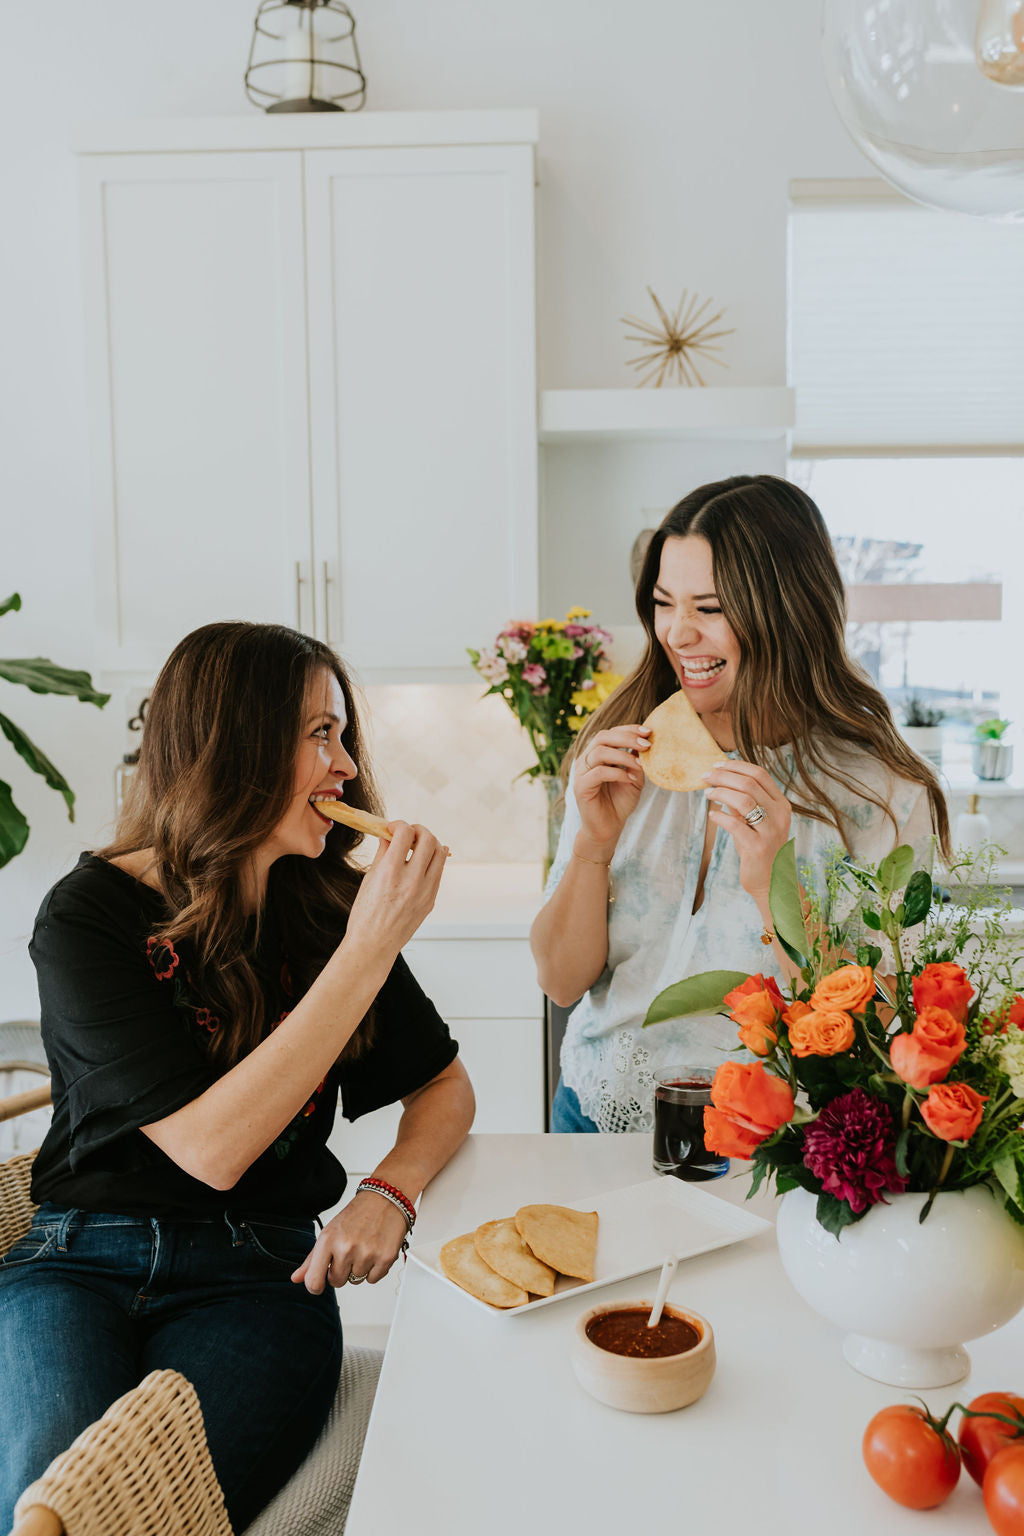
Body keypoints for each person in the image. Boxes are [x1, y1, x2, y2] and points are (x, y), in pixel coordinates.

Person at [0, 621, 475, 1531]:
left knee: (136, 1511)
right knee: (41, 1506)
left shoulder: (328, 910)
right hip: (77, 1259)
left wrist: (391, 1189)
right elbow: (211, 1148)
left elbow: (445, 1088)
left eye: (342, 735)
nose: (345, 766)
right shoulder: (88, 917)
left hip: (260, 1276)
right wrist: (370, 948)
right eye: (317, 735)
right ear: (234, 745)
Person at [532, 474, 949, 1135]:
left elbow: (881, 1032)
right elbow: (559, 981)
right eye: (665, 603)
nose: (677, 633)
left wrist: (772, 883)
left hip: (775, 1145)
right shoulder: (624, 749)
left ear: (788, 611)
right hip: (593, 1113)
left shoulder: (882, 795)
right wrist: (591, 845)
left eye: (709, 609)